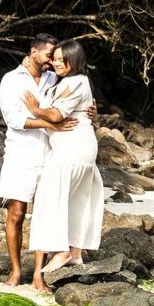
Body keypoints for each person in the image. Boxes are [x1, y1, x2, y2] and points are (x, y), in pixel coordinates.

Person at [0, 34, 79, 286]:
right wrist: (49, 122)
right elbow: (14, 120)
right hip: (21, 154)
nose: (52, 61)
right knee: (17, 214)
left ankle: (37, 275)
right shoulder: (11, 80)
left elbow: (75, 100)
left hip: (52, 153)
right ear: (33, 52)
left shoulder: (56, 78)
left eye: (55, 57)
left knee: (45, 215)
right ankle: (15, 271)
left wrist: (91, 109)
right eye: (48, 56)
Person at [27, 40, 105, 292]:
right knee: (75, 200)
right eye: (56, 58)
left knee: (51, 198)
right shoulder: (75, 80)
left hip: (73, 148)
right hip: (77, 147)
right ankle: (75, 251)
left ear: (75, 60)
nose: (57, 63)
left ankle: (61, 251)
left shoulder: (75, 81)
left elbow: (57, 115)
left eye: (62, 59)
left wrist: (35, 109)